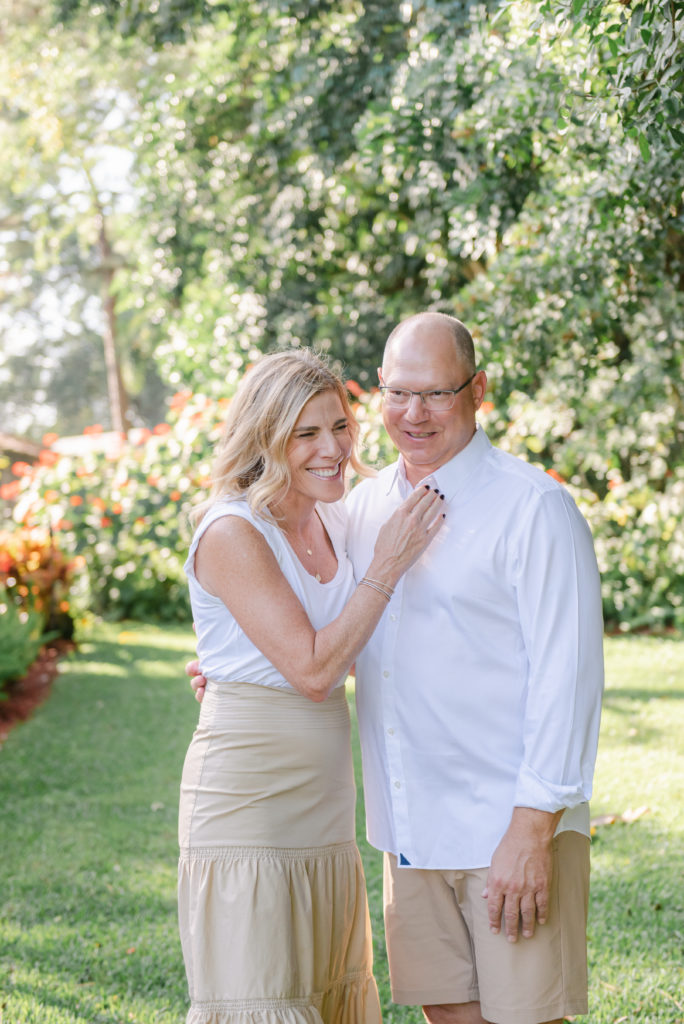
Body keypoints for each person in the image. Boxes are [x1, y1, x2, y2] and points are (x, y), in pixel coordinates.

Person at [190, 313, 604, 1024]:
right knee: (447, 1016)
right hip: (408, 832)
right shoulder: (359, 510)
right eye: (397, 393)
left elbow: (569, 682)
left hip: (506, 828)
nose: (413, 414)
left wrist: (533, 831)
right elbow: (350, 643)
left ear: (478, 390)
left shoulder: (535, 509)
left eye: (437, 394)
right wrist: (240, 667)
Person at [177, 347, 444, 1024]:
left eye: (340, 426)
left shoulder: (332, 518)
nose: (333, 449)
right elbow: (317, 670)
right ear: (265, 438)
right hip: (250, 800)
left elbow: (349, 647)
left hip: (324, 806)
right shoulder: (233, 529)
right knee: (263, 997)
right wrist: (387, 565)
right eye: (306, 433)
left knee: (327, 990)